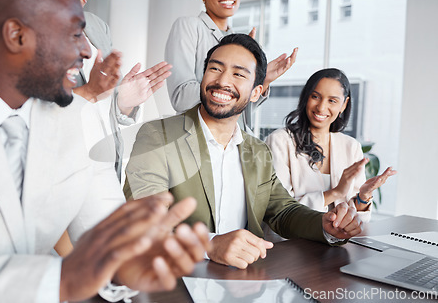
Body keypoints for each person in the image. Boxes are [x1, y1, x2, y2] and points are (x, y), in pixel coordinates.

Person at [0, 0, 210, 302]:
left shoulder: (77, 118)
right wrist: (60, 279)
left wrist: (129, 261)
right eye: (74, 34)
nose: (86, 52)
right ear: (16, 35)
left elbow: (107, 234)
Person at [124, 34, 363, 270]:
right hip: (176, 279)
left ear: (256, 92)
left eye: (238, 74)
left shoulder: (257, 150)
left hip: (244, 282)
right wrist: (208, 246)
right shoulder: (158, 135)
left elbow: (283, 211)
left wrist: (325, 224)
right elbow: (142, 222)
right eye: (215, 69)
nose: (223, 81)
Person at [48, 0, 173, 181]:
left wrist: (123, 101)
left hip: (104, 168)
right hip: (64, 168)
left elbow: (103, 103)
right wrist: (89, 92)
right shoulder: (29, 22)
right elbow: (36, 113)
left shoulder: (97, 27)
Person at [165, 0, 298, 132]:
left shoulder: (237, 38)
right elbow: (181, 97)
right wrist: (229, 85)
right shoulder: (189, 26)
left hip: (236, 143)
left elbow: (238, 113)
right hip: (200, 138)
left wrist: (260, 81)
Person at [265, 68, 396, 222]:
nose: (321, 107)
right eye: (315, 97)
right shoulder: (280, 141)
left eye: (332, 101)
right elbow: (279, 210)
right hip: (291, 242)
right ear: (306, 97)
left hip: (337, 241)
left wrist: (363, 196)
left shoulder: (351, 146)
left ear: (344, 105)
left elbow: (359, 219)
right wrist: (336, 193)